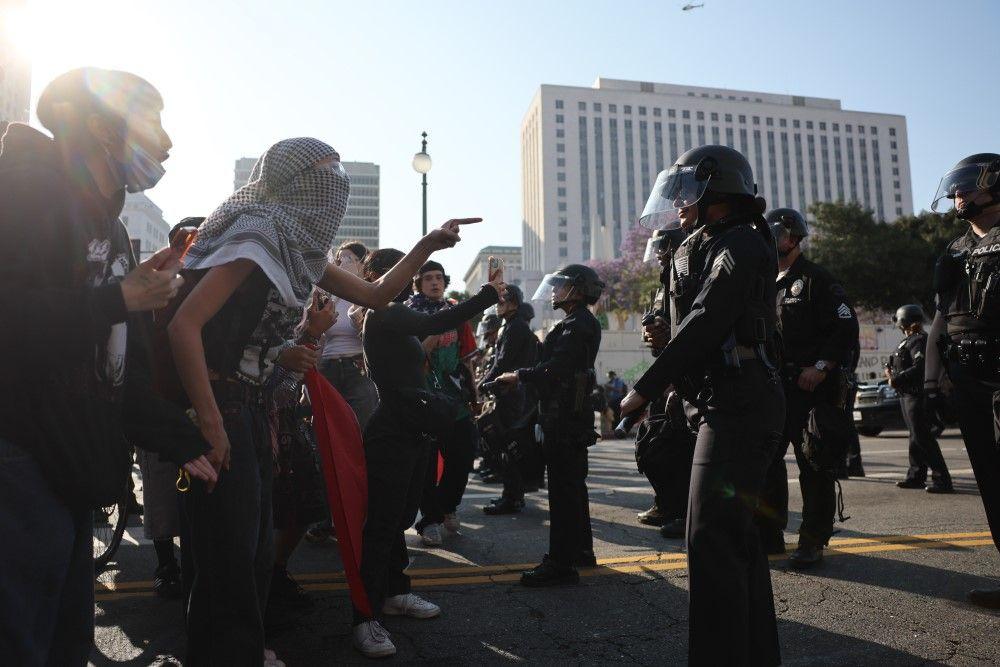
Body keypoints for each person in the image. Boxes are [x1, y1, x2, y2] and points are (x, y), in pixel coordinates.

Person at [167, 136, 473, 665]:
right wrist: (212, 423)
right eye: (325, 174)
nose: (336, 187)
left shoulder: (293, 244)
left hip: (255, 405)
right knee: (229, 551)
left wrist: (426, 245)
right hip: (225, 404)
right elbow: (184, 326)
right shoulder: (258, 233)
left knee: (252, 547)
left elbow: (375, 294)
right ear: (292, 180)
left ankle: (241, 648)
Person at [0, 68, 217, 666]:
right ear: (101, 127)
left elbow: (115, 368)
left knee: (65, 639)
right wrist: (117, 298)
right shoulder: (24, 191)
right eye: (153, 122)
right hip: (19, 454)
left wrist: (179, 437)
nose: (166, 142)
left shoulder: (113, 227)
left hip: (70, 460)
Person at [619, 145, 783, 666]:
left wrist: (645, 387)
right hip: (719, 399)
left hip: (740, 401)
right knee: (734, 539)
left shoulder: (741, 242)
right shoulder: (705, 243)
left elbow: (709, 318)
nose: (678, 203)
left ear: (718, 189)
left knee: (711, 538)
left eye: (687, 192)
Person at [353, 248, 503, 658]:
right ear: (376, 277)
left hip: (413, 429)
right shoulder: (383, 312)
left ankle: (395, 593)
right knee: (383, 525)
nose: (407, 278)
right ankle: (364, 617)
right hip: (391, 432)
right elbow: (435, 321)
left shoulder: (397, 315)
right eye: (398, 271)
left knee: (401, 519)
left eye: (409, 270)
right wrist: (488, 294)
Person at [756, 207, 859, 568]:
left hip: (811, 389)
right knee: (766, 465)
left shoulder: (816, 279)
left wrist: (821, 366)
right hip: (774, 388)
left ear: (794, 238)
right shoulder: (764, 281)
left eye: (777, 235)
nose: (771, 241)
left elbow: (845, 327)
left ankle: (812, 541)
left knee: (814, 466)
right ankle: (768, 536)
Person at [495, 264, 604, 586]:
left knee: (563, 490)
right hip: (568, 415)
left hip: (565, 417)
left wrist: (519, 375)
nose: (554, 291)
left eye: (560, 285)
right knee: (572, 487)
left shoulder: (577, 324)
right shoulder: (577, 322)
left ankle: (560, 563)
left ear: (577, 290)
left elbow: (557, 369)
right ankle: (581, 551)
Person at [924, 153, 1000, 609]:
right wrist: (931, 384)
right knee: (991, 481)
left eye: (969, 184)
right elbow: (940, 321)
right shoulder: (955, 250)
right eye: (955, 187)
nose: (958, 194)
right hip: (968, 379)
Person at [304, 241, 380, 546]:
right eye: (336, 258)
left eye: (345, 258)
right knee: (324, 444)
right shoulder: (326, 294)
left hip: (358, 371)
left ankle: (361, 517)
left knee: (360, 443)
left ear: (362, 263)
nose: (338, 262)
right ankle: (327, 517)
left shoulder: (367, 293)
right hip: (327, 371)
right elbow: (315, 338)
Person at [407, 261, 480, 545]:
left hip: (455, 399)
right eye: (428, 278)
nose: (435, 283)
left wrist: (474, 395)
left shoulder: (456, 313)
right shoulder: (409, 314)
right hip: (423, 398)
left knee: (463, 455)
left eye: (439, 277)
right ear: (418, 283)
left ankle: (447, 506)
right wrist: (435, 331)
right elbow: (412, 357)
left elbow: (466, 359)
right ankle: (430, 520)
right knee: (426, 463)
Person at [636, 227, 697, 539]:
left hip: (685, 375)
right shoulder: (662, 286)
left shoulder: (689, 279)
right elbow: (656, 331)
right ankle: (666, 503)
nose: (659, 254)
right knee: (654, 443)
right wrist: (652, 335)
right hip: (664, 372)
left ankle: (685, 512)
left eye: (663, 247)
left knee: (683, 449)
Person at [481, 285, 539, 515]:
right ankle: (512, 494)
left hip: (513, 394)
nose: (498, 305)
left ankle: (512, 497)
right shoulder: (512, 325)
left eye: (501, 301)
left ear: (513, 303)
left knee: (509, 447)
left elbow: (503, 362)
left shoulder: (515, 327)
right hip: (512, 393)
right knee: (507, 447)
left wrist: (483, 383)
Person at [887, 304, 953, 493]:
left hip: (916, 395)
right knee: (915, 437)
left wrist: (897, 378)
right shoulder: (908, 340)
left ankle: (942, 479)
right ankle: (916, 475)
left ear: (903, 321)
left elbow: (919, 366)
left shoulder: (919, 340)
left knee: (923, 438)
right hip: (906, 395)